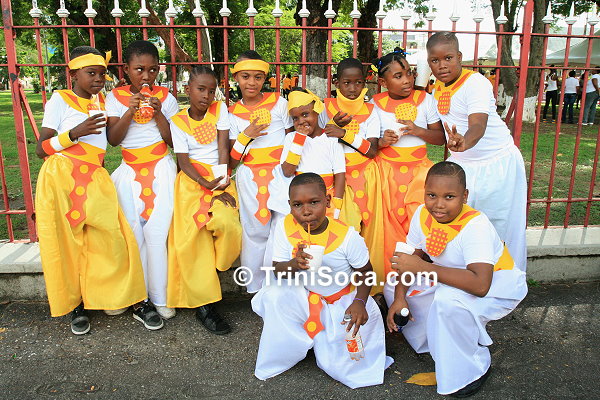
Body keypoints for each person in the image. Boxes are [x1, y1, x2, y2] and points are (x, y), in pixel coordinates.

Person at [385, 161, 527, 397]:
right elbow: (411, 258)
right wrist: (400, 298)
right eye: (431, 195)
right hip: (449, 275)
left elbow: (480, 285)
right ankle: (439, 345)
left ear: (465, 196)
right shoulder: (422, 213)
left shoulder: (475, 226)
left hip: (495, 283)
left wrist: (424, 268)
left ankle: (473, 369)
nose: (439, 204)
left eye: (449, 197)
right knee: (394, 286)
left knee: (448, 302)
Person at [35, 46, 146, 335]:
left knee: (112, 238)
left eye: (102, 74)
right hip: (62, 176)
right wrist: (74, 134)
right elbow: (41, 149)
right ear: (73, 74)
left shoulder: (102, 101)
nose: (98, 79)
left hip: (95, 177)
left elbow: (109, 140)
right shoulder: (60, 100)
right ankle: (75, 306)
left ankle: (122, 297)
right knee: (67, 244)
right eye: (91, 73)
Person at [252, 173, 393, 388]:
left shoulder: (347, 237)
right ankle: (291, 346)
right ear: (290, 206)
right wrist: (294, 264)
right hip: (306, 296)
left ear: (327, 201)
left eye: (314, 202)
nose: (306, 211)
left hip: (342, 301)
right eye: (297, 205)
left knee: (342, 366)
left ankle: (332, 341)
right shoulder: (285, 226)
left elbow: (366, 272)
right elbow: (278, 270)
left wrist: (359, 302)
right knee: (274, 295)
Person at [426, 31, 527, 271]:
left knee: (499, 226)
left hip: (496, 164)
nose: (442, 65)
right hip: (464, 166)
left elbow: (478, 125)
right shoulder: (436, 88)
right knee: (465, 225)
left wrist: (466, 141)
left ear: (460, 57)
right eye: (435, 60)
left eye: (448, 58)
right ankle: (469, 277)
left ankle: (505, 278)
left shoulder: (475, 83)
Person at [105, 40, 180, 329]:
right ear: (126, 70)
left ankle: (160, 296)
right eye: (139, 70)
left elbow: (173, 141)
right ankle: (136, 297)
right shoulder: (115, 97)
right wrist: (129, 111)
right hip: (129, 171)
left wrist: (159, 112)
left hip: (162, 168)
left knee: (159, 232)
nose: (146, 76)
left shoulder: (167, 98)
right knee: (133, 233)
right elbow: (114, 139)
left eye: (152, 70)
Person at [167, 66, 242, 334]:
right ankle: (204, 306)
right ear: (188, 89)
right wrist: (203, 183)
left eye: (211, 90)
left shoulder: (220, 110)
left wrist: (220, 184)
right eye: (201, 89)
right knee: (193, 239)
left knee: (227, 223)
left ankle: (218, 268)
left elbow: (223, 147)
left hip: (219, 177)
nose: (206, 96)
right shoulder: (177, 121)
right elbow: (184, 161)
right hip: (191, 182)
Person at [371, 49, 445, 278]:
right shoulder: (375, 104)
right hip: (387, 174)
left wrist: (417, 130)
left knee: (418, 219)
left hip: (419, 173)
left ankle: (418, 275)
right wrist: (383, 142)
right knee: (388, 224)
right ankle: (388, 277)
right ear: (383, 82)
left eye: (409, 73)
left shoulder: (426, 100)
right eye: (398, 76)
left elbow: (440, 138)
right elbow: (370, 144)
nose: (407, 80)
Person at [228, 50, 294, 293]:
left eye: (258, 77)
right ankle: (255, 287)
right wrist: (246, 135)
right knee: (254, 230)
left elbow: (292, 138)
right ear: (236, 78)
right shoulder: (232, 113)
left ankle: (277, 286)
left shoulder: (279, 103)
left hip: (281, 175)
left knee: (282, 226)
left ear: (265, 78)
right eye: (245, 77)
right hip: (250, 177)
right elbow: (232, 160)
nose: (251, 83)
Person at [318, 57, 386, 292]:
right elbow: (318, 141)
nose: (353, 88)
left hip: (367, 177)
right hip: (336, 178)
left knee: (369, 229)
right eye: (347, 82)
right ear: (336, 82)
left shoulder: (371, 111)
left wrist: (343, 133)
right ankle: (342, 286)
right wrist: (332, 127)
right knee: (343, 228)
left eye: (358, 83)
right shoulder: (325, 108)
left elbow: (372, 150)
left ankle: (370, 288)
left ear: (365, 83)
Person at [279, 88, 358, 228]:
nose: (301, 121)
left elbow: (339, 174)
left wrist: (337, 205)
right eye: (295, 118)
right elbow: (287, 171)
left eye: (305, 114)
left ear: (317, 111)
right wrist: (299, 140)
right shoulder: (291, 138)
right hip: (302, 201)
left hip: (327, 199)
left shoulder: (330, 138)